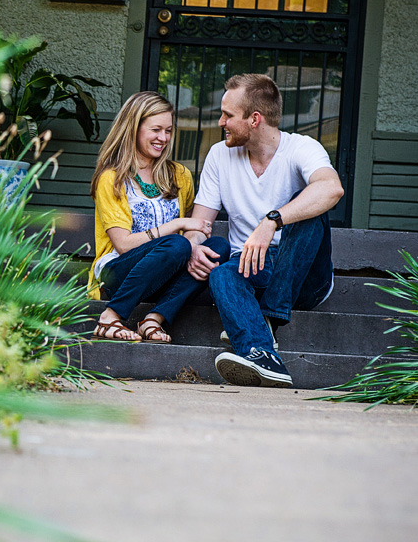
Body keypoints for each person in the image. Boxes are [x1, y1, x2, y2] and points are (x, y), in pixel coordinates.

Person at [185, 74, 344, 387]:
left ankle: (268, 318)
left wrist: (272, 221)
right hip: (250, 268)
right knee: (221, 274)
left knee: (310, 203)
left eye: (228, 115)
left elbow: (332, 188)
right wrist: (193, 246)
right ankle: (263, 355)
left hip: (303, 278)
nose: (220, 122)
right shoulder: (220, 155)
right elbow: (200, 224)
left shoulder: (302, 148)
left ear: (254, 119)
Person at [88, 91, 229, 343]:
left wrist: (193, 247)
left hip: (164, 271)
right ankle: (110, 317)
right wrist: (177, 225)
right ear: (134, 128)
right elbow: (123, 244)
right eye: (155, 130)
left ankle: (153, 319)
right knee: (177, 243)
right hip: (118, 273)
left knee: (217, 248)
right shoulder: (113, 178)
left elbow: (189, 240)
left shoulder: (180, 175)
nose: (163, 138)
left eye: (168, 130)